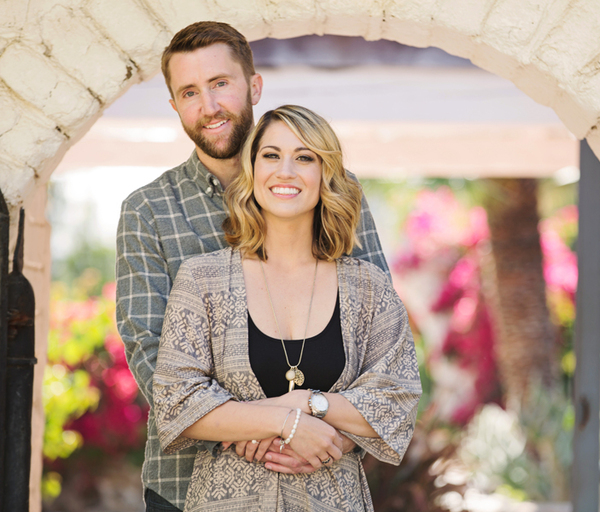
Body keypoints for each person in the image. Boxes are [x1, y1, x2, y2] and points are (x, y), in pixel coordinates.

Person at [116, 22, 389, 512]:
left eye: (220, 83)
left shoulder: (330, 188)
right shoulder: (148, 210)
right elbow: (149, 350)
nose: (209, 106)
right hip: (186, 486)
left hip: (318, 478)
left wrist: (330, 434)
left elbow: (378, 338)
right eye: (190, 92)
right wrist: (271, 425)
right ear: (174, 104)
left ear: (254, 86)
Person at [152, 105, 421, 511]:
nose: (286, 171)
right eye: (271, 155)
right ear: (252, 170)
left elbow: (397, 401)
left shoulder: (369, 286)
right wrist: (287, 421)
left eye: (305, 157)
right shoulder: (202, 280)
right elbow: (176, 403)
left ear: (326, 174)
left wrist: (310, 406)